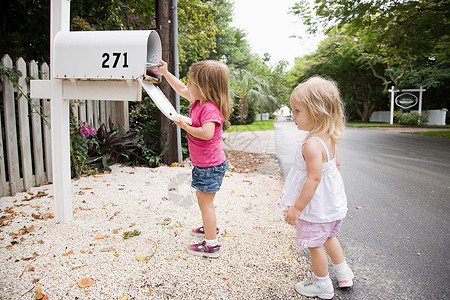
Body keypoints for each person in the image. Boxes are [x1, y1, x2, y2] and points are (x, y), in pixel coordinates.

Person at [276, 76, 354, 299]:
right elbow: (336, 166)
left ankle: (322, 285)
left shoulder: (311, 144)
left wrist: (297, 209)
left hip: (315, 208)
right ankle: (344, 273)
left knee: (314, 245)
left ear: (317, 112)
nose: (293, 116)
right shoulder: (329, 137)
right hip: (331, 205)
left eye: (297, 111)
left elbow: (313, 179)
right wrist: (333, 197)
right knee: (329, 237)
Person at [158, 60, 231, 258]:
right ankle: (210, 228)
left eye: (191, 82)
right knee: (202, 199)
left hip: (210, 166)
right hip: (205, 165)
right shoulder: (199, 101)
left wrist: (184, 125)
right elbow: (180, 88)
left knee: (205, 203)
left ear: (204, 87)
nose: (187, 85)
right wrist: (165, 72)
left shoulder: (209, 109)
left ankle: (211, 245)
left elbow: (207, 133)